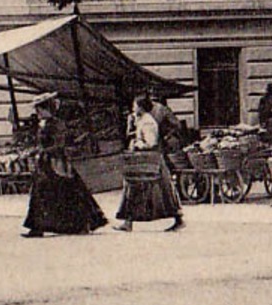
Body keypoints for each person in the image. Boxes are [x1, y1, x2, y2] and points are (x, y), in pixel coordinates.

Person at [22, 91, 107, 237]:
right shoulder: (45, 123)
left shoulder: (57, 124)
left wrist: (43, 151)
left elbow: (59, 144)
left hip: (56, 162)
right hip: (46, 162)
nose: (37, 112)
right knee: (46, 193)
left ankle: (79, 224)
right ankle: (38, 227)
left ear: (46, 109)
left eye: (39, 109)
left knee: (63, 193)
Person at [116, 94, 184, 232]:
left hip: (149, 160)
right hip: (150, 160)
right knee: (161, 191)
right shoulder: (142, 119)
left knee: (140, 189)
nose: (133, 108)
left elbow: (151, 142)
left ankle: (128, 222)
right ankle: (128, 222)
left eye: (135, 105)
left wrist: (137, 143)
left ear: (141, 107)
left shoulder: (147, 122)